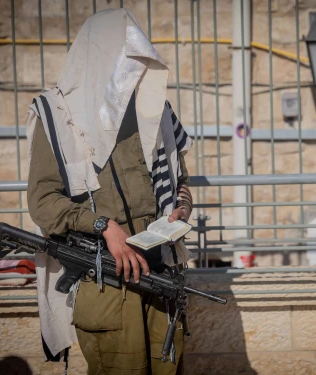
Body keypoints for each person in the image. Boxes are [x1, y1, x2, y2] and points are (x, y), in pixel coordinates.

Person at [25, 8, 193, 375]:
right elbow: (43, 202)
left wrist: (181, 209)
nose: (130, 70)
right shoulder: (58, 115)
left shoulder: (154, 109)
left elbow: (180, 180)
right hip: (105, 282)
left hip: (162, 276)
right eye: (122, 60)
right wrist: (104, 226)